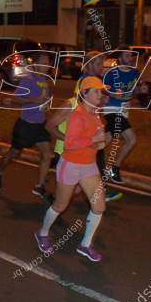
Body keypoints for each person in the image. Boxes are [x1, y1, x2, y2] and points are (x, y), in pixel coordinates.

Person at [37, 76, 109, 262]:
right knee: (61, 205)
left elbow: (92, 140)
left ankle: (85, 244)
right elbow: (69, 144)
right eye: (96, 91)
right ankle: (43, 233)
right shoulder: (77, 114)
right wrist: (93, 140)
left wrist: (98, 144)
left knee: (99, 206)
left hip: (89, 166)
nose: (100, 94)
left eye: (101, 91)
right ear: (84, 94)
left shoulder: (95, 112)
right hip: (70, 165)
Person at [45, 52, 122, 203]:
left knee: (78, 187)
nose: (99, 94)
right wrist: (69, 139)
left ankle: (57, 200)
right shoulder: (73, 103)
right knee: (68, 192)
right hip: (68, 150)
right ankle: (54, 204)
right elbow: (50, 125)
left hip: (86, 146)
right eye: (96, 91)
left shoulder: (92, 102)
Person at [0, 52, 55, 203]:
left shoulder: (44, 82)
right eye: (45, 62)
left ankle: (39, 186)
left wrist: (44, 106)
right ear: (36, 64)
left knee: (47, 154)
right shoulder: (28, 80)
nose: (48, 66)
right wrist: (34, 99)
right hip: (26, 125)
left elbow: (41, 102)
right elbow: (16, 99)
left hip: (40, 125)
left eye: (49, 63)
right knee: (14, 153)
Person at [99, 49, 140, 184]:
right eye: (127, 55)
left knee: (105, 141)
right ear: (120, 59)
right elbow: (101, 87)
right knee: (131, 139)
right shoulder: (112, 73)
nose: (131, 58)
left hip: (123, 111)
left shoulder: (135, 72)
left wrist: (142, 90)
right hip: (111, 109)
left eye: (131, 55)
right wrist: (111, 93)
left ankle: (82, 157)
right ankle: (114, 168)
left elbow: (135, 89)